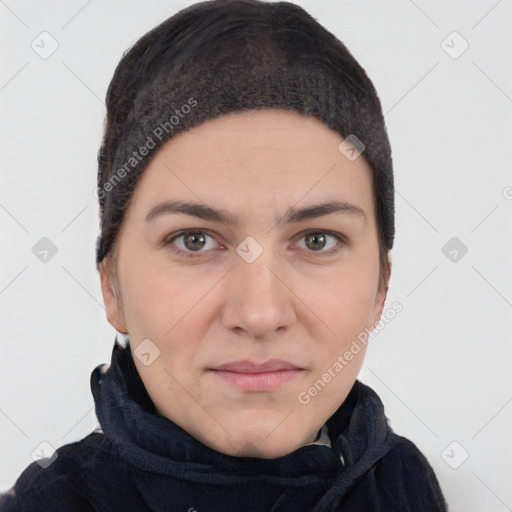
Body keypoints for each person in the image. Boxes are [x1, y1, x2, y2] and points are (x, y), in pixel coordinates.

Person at [0, 0, 448, 510]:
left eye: (316, 240)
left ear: (380, 288)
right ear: (112, 288)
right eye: (194, 240)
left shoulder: (406, 485)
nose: (260, 314)